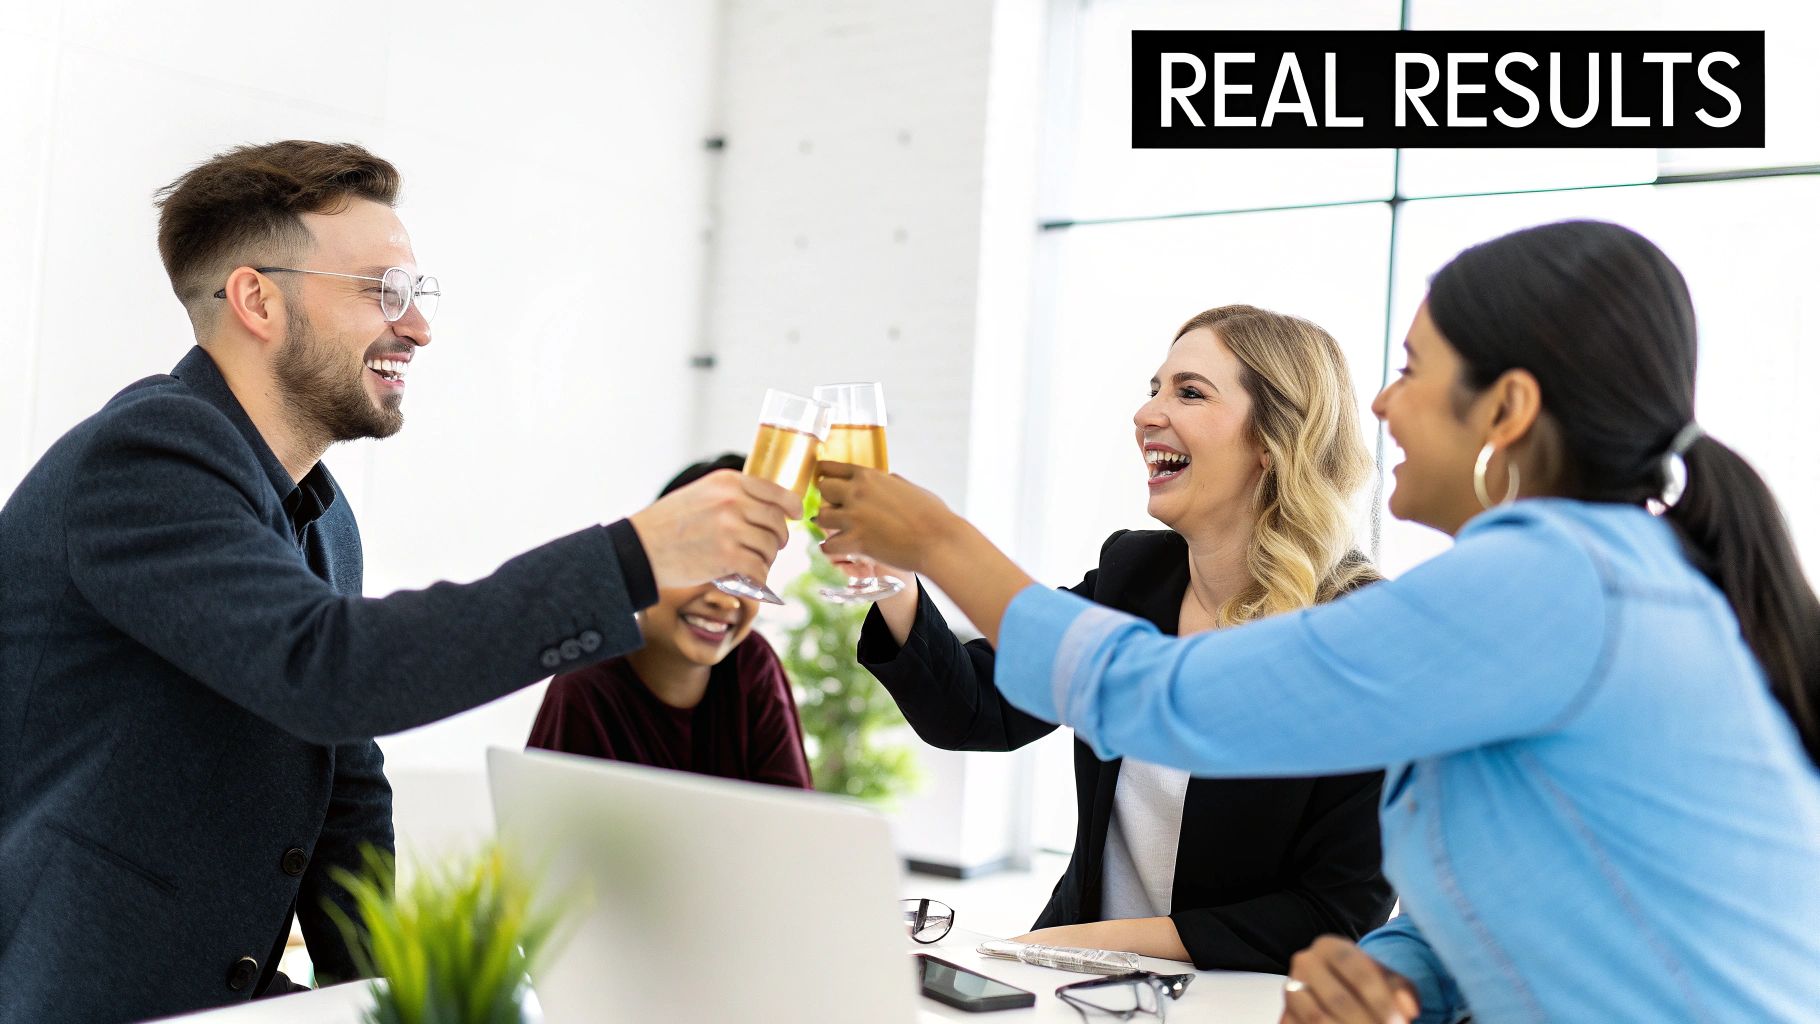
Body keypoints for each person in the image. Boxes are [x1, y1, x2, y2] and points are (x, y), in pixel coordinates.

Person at [817, 221, 1820, 1023]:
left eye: (1412, 368)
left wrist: (938, 539)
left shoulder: (1547, 581)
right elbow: (1502, 892)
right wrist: (1393, 980)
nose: (1379, 403)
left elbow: (1155, 698)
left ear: (1505, 407)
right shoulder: (1588, 578)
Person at [0, 141, 798, 1024]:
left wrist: (398, 996)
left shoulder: (324, 518)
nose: (418, 327)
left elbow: (345, 785)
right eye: (384, 291)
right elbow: (331, 675)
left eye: (417, 295)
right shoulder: (146, 456)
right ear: (257, 298)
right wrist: (633, 558)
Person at [856, 306, 1392, 971]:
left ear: (1272, 439)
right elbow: (974, 710)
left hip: (1233, 997)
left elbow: (1335, 914)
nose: (1146, 415)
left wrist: (1091, 942)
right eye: (1154, 388)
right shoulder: (1133, 574)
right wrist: (892, 576)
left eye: (1189, 392)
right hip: (1081, 979)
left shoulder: (1363, 636)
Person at [530, 454, 812, 789]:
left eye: (748, 575)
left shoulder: (751, 662)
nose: (725, 599)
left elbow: (792, 818)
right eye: (706, 564)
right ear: (652, 561)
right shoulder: (585, 686)